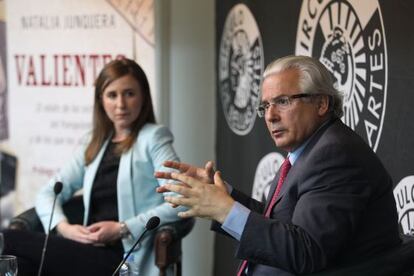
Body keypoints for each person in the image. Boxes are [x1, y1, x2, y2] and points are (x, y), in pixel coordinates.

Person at [156, 55, 401, 275]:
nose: (271, 116)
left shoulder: (335, 154)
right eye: (265, 106)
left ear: (321, 104)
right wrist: (222, 194)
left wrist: (226, 210)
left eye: (283, 101)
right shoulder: (311, 149)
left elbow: (306, 252)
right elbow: (281, 223)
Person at [2, 58, 184, 276]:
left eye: (129, 93)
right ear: (101, 100)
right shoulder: (95, 142)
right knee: (18, 266)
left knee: (8, 238)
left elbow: (181, 202)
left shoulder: (153, 138)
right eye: (112, 95)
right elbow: (47, 193)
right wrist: (64, 229)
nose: (120, 105)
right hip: (86, 250)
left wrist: (122, 228)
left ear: (143, 96)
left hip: (124, 258)